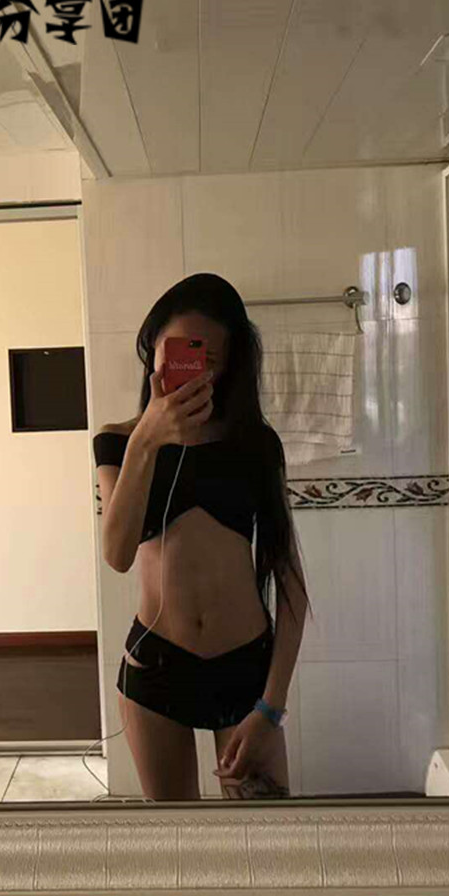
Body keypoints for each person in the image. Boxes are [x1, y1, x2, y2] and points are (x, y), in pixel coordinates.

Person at [93, 273, 312, 801]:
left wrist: (271, 707)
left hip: (245, 671)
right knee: (177, 842)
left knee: (264, 840)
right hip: (155, 667)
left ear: (230, 366)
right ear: (153, 349)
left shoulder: (255, 444)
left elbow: (290, 584)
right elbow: (117, 554)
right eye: (181, 350)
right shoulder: (119, 442)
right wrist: (148, 438)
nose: (194, 367)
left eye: (209, 358)